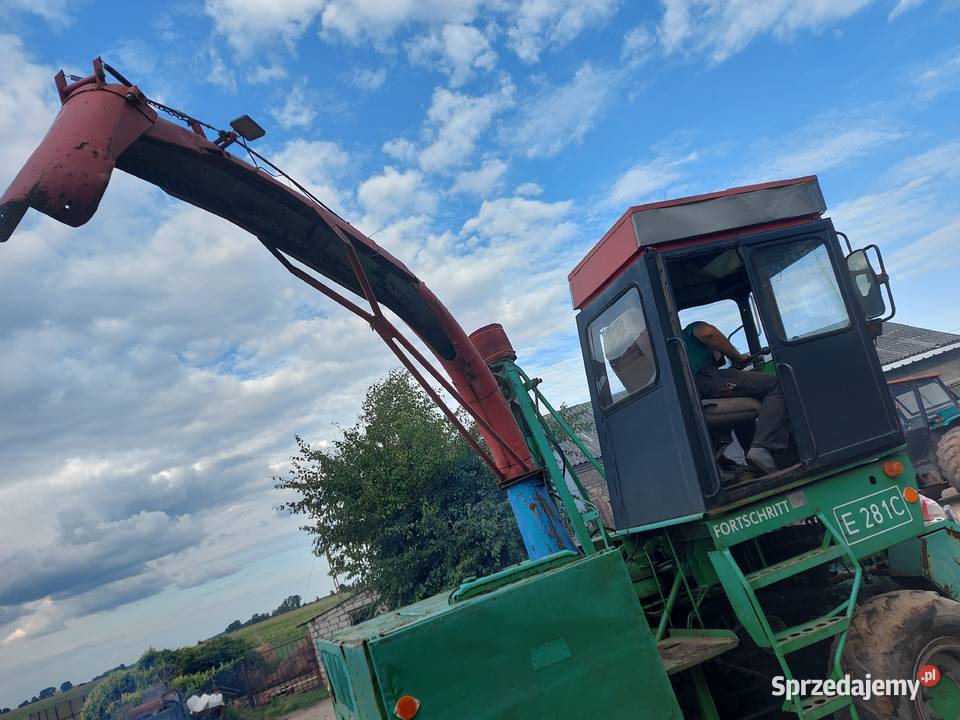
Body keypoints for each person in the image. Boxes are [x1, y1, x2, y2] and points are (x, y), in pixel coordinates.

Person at [682, 321, 790, 474]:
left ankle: (752, 456)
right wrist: (737, 357)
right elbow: (708, 333)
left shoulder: (685, 350)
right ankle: (763, 447)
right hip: (702, 379)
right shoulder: (690, 330)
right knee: (778, 383)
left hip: (695, 388)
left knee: (744, 394)